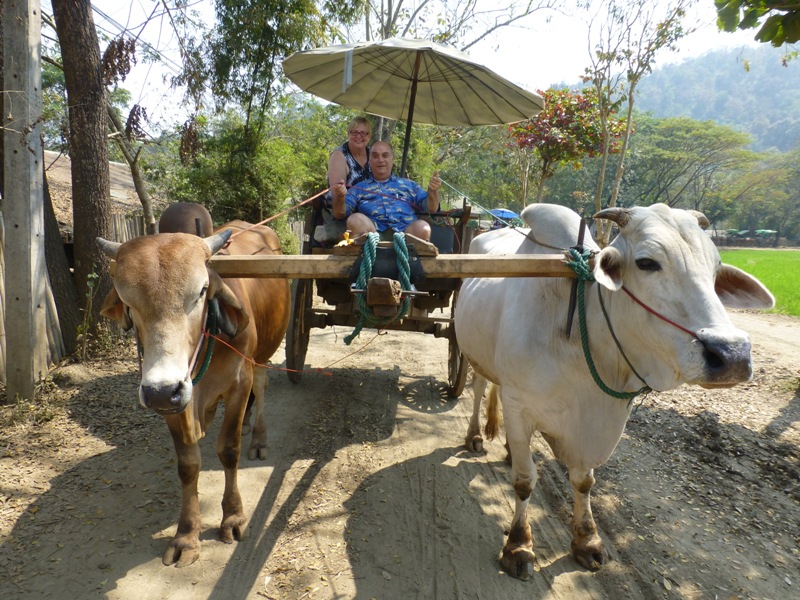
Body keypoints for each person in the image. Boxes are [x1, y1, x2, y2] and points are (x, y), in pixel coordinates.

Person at [330, 141, 441, 242]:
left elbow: (431, 208)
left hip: (406, 235)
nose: (380, 160)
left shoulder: (409, 185)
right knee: (354, 220)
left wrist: (433, 192)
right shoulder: (359, 188)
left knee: (423, 227)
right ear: (370, 161)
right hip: (372, 236)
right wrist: (340, 197)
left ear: (392, 159)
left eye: (385, 155)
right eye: (375, 156)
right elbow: (339, 214)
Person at [314, 116, 372, 243]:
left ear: (369, 136)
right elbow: (337, 201)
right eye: (354, 132)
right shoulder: (339, 156)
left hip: (368, 211)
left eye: (363, 133)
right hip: (341, 213)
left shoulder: (373, 154)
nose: (358, 136)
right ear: (348, 134)